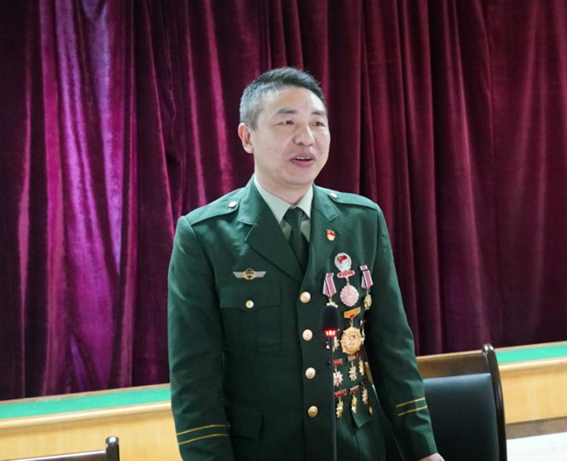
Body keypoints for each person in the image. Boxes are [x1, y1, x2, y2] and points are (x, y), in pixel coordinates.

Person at [168, 67, 444, 461]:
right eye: (287, 123)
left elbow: (392, 349)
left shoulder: (361, 221)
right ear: (247, 137)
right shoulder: (205, 236)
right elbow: (195, 380)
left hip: (355, 448)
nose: (306, 138)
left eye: (318, 123)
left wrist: (423, 450)